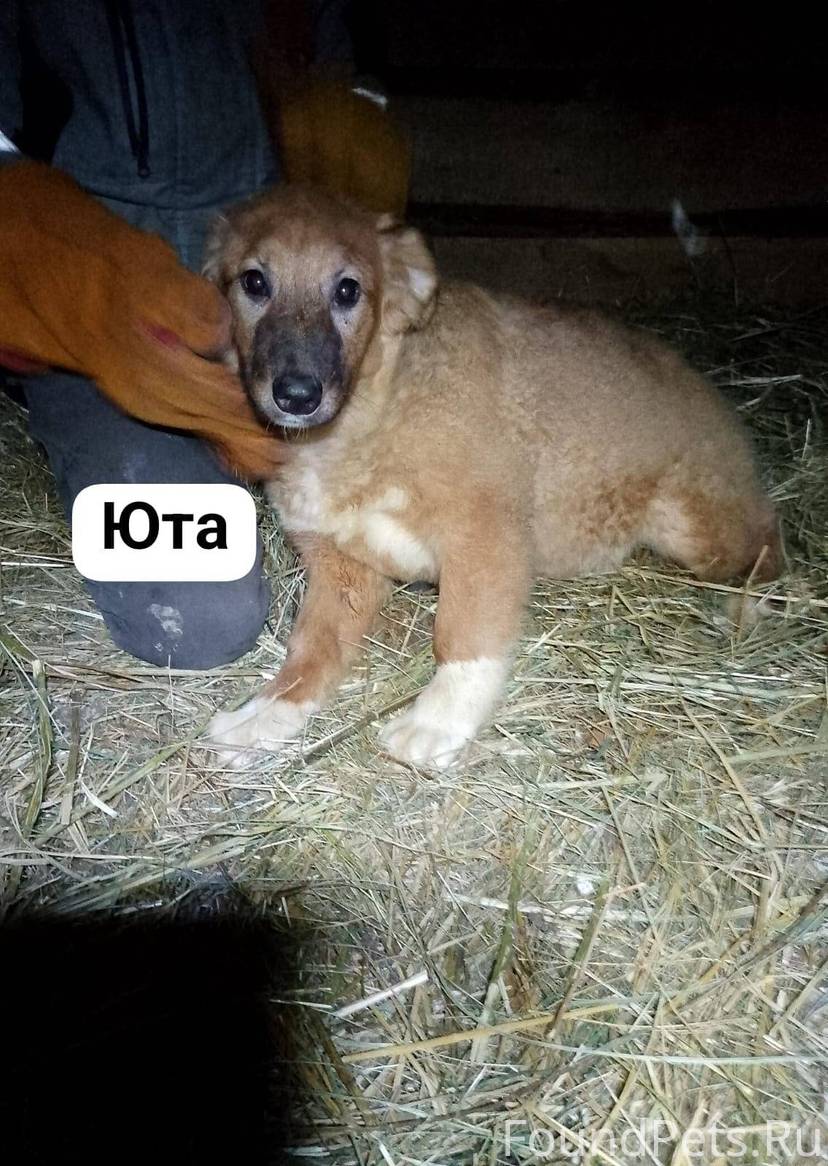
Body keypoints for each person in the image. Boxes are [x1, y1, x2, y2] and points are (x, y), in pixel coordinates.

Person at [0, 0, 409, 668]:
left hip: (288, 302)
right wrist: (56, 265)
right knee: (202, 612)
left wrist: (348, 129)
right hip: (101, 332)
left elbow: (341, 70)